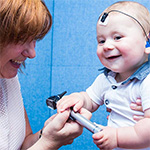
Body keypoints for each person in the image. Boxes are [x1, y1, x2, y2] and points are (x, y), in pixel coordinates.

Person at [57, 1, 150, 150]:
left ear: (147, 43)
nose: (107, 46)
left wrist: (117, 137)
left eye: (118, 37)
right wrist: (78, 99)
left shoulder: (147, 81)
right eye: (101, 40)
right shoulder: (107, 79)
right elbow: (90, 100)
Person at [0, 0, 91, 149]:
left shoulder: (8, 79)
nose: (32, 53)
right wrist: (49, 143)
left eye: (34, 39)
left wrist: (47, 133)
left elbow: (22, 145)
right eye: (21, 39)